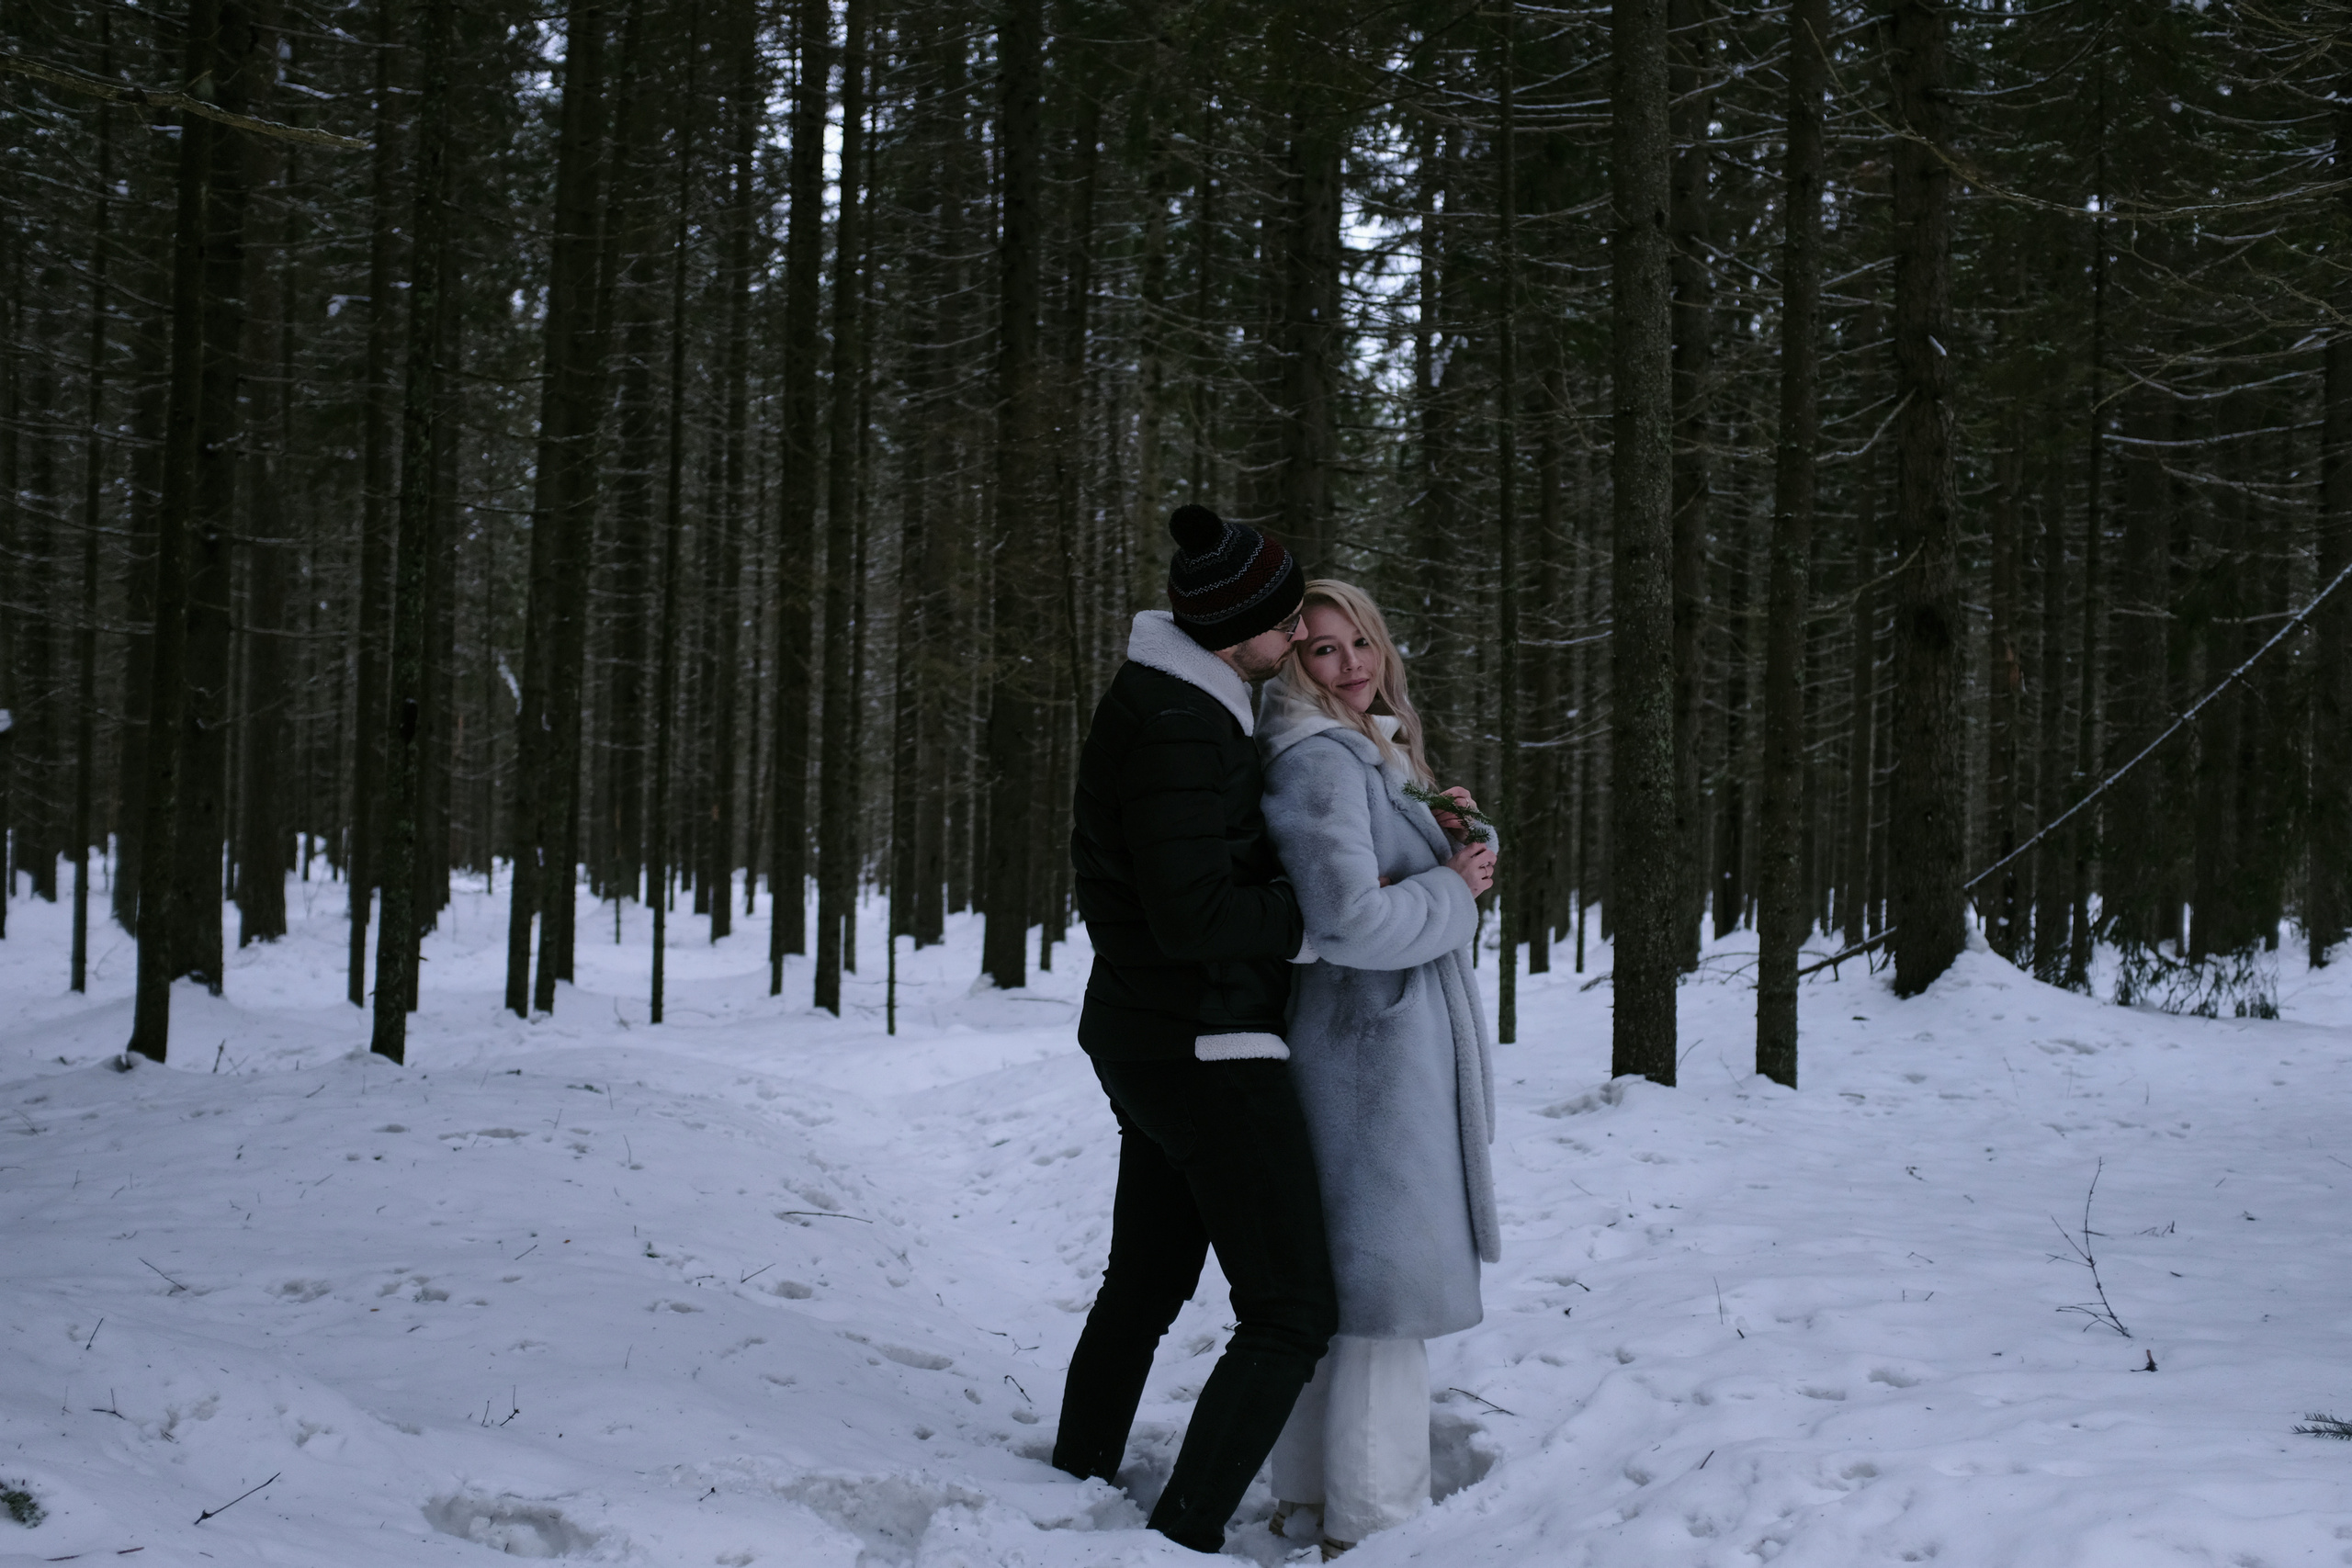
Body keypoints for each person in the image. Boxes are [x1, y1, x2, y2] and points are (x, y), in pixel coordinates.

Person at [1051, 504, 1340, 1555]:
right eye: (1284, 617)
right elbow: (1195, 916)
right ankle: (1180, 1536)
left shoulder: (1177, 701)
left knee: (1146, 1278)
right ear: (1238, 631)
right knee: (1291, 1307)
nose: (1300, 631)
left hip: (1150, 1034)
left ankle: (1074, 1477)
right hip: (1204, 1045)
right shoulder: (1178, 723)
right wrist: (1321, 914)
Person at [1255, 580, 1500, 1560]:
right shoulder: (1317, 760)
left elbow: (1417, 883)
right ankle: (1375, 1523)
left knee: (1356, 1293)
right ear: (1292, 664)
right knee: (1381, 1299)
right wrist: (1447, 888)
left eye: (1359, 643)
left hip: (1382, 1045)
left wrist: (1454, 852)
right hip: (1365, 1052)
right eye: (1321, 650)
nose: (1349, 664)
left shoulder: (1372, 746)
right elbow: (1349, 920)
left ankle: (1313, 1501)